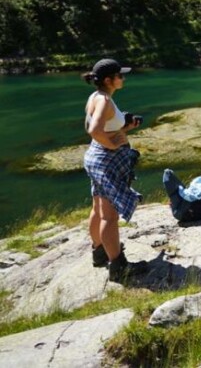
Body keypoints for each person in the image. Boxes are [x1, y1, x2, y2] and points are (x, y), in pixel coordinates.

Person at [82, 58, 145, 282]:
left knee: (98, 208)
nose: (123, 78)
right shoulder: (105, 100)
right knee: (109, 215)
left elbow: (93, 126)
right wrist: (111, 145)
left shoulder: (96, 96)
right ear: (109, 80)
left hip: (95, 157)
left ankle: (99, 252)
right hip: (106, 161)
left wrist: (123, 128)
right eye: (120, 75)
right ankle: (118, 266)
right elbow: (94, 129)